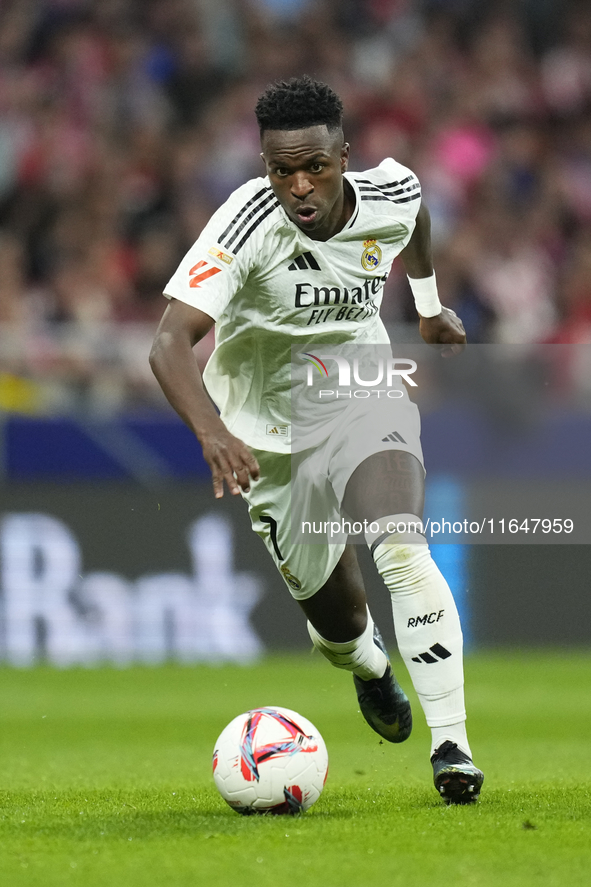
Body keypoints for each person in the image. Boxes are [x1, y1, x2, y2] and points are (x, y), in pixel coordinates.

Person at [150, 75, 484, 804]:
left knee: (400, 542)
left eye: (315, 167)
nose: (298, 186)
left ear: (344, 155)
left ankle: (451, 744)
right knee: (337, 621)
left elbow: (415, 217)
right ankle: (368, 668)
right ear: (263, 166)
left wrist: (427, 308)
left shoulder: (391, 195)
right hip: (265, 436)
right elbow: (169, 344)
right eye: (280, 171)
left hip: (360, 390)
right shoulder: (243, 224)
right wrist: (210, 432)